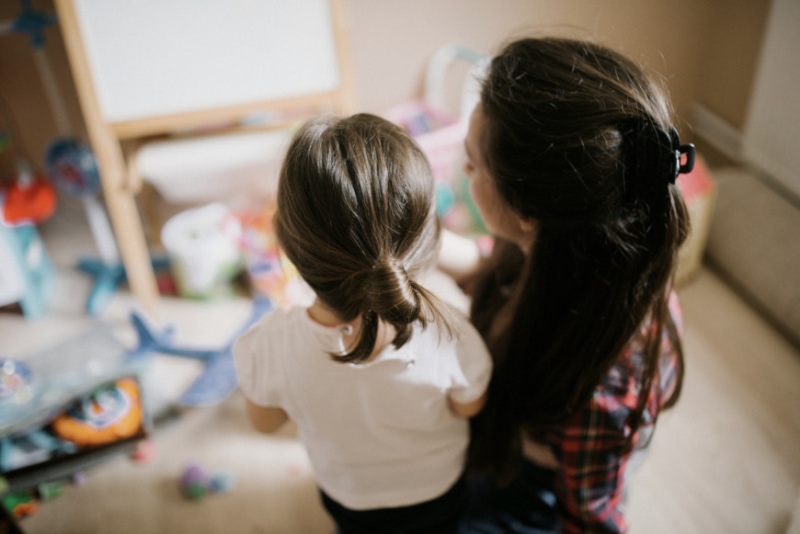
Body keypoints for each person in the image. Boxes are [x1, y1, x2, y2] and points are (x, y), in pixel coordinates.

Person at [440, 37, 694, 533]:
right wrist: (415, 243)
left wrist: (526, 446)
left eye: (472, 162)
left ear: (527, 213)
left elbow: (593, 518)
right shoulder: (587, 242)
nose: (463, 170)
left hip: (559, 477)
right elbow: (497, 266)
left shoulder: (601, 392)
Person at [233, 114, 493, 534]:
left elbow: (263, 424)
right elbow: (470, 406)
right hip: (438, 492)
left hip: (349, 497)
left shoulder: (266, 347)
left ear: (284, 241)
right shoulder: (454, 334)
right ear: (428, 242)